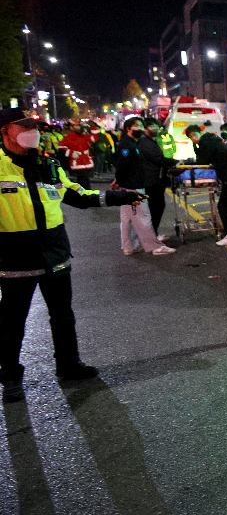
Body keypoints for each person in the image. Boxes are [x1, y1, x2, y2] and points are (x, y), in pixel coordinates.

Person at [0, 108, 146, 402]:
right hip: (14, 257)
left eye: (35, 126)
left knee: (63, 316)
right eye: (24, 127)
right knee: (12, 322)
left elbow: (75, 194)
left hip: (55, 252)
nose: (33, 132)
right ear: (4, 131)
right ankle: (10, 377)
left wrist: (118, 196)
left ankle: (68, 364)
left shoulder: (48, 164)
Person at [114, 117, 176, 256]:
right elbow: (122, 165)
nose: (140, 128)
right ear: (128, 128)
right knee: (144, 217)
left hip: (128, 185)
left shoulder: (131, 143)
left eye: (141, 125)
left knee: (127, 219)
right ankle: (154, 246)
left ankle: (129, 246)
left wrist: (118, 181)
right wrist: (119, 180)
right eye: (136, 126)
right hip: (133, 186)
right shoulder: (128, 146)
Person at [185, 125, 227, 245]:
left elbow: (203, 161)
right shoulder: (212, 140)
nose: (193, 139)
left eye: (192, 137)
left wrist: (191, 156)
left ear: (195, 134)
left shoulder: (207, 143)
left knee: (224, 206)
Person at [141, 118, 178, 240]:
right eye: (152, 126)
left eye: (156, 126)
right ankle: (151, 236)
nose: (155, 129)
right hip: (151, 180)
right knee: (155, 207)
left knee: (158, 206)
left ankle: (153, 233)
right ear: (146, 128)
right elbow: (157, 159)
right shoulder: (146, 143)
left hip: (156, 179)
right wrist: (175, 162)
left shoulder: (151, 141)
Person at [58, 119, 95, 190]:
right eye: (76, 125)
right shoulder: (68, 137)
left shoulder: (83, 136)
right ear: (71, 127)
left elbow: (93, 139)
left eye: (79, 125)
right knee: (83, 181)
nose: (79, 127)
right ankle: (84, 196)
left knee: (85, 181)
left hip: (86, 162)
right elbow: (61, 149)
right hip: (77, 163)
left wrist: (93, 127)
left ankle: (84, 195)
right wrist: (72, 152)